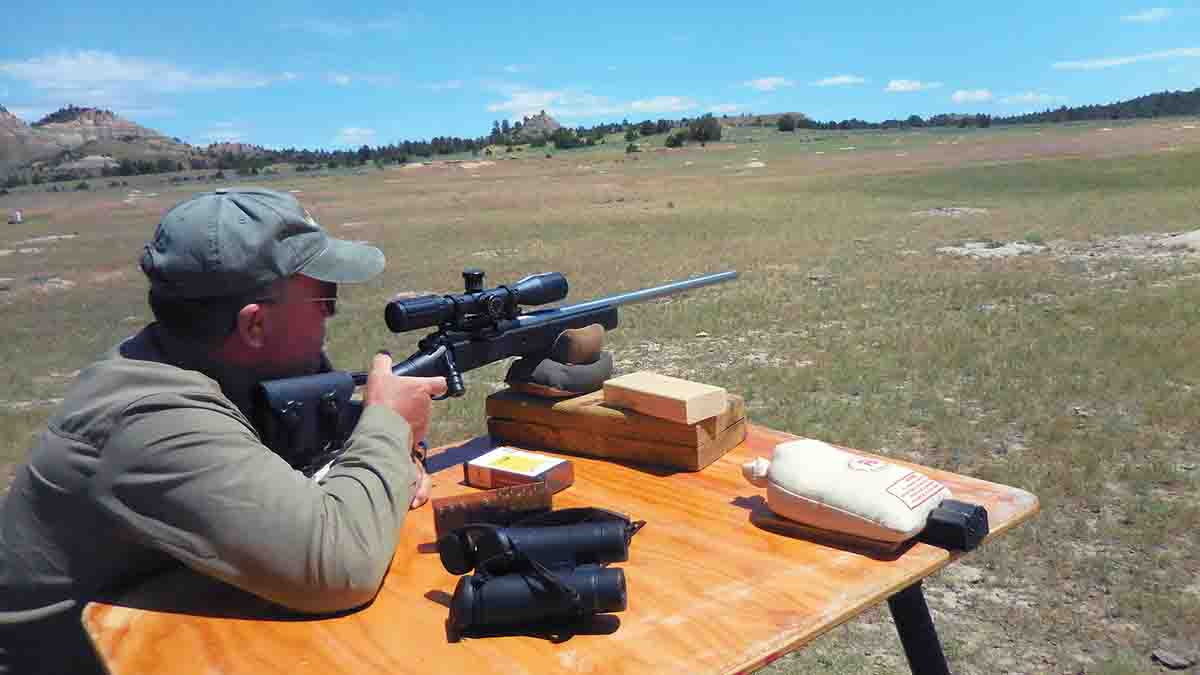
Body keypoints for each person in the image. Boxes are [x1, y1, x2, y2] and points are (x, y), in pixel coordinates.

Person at [0, 187, 448, 674]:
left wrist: (392, 462)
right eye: (325, 298)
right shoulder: (152, 418)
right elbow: (339, 567)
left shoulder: (208, 362)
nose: (330, 315)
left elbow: (313, 471)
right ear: (253, 326)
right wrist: (387, 426)